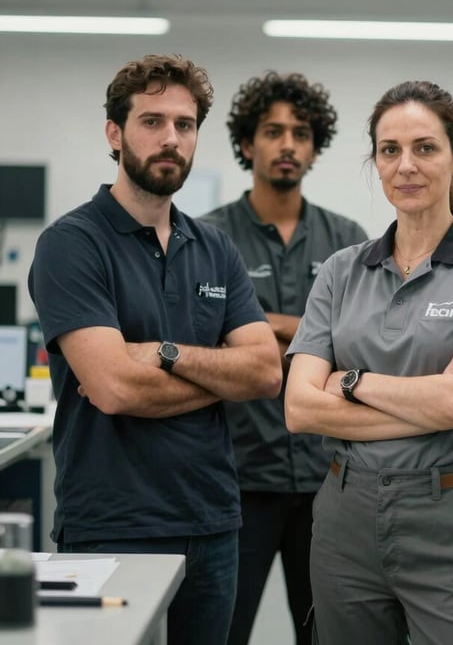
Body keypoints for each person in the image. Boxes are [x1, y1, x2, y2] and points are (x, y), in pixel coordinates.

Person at [28, 54, 283, 645]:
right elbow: (115, 389)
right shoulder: (72, 245)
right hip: (112, 527)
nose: (171, 138)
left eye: (185, 124)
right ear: (115, 134)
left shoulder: (214, 247)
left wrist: (166, 353)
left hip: (214, 522)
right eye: (152, 121)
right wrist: (220, 374)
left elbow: (267, 372)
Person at [284, 79, 453, 645]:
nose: (406, 166)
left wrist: (351, 381)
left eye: (425, 147)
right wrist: (435, 397)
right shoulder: (341, 271)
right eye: (389, 150)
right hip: (346, 517)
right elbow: (299, 408)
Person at [200, 70, 367, 645]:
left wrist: (263, 328)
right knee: (223, 630)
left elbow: (362, 345)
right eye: (273, 131)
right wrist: (314, 337)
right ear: (247, 144)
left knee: (328, 634)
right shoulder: (208, 239)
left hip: (331, 481)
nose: (288, 144)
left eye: (300, 132)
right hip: (237, 481)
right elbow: (210, 348)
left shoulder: (348, 243)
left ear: (315, 146)